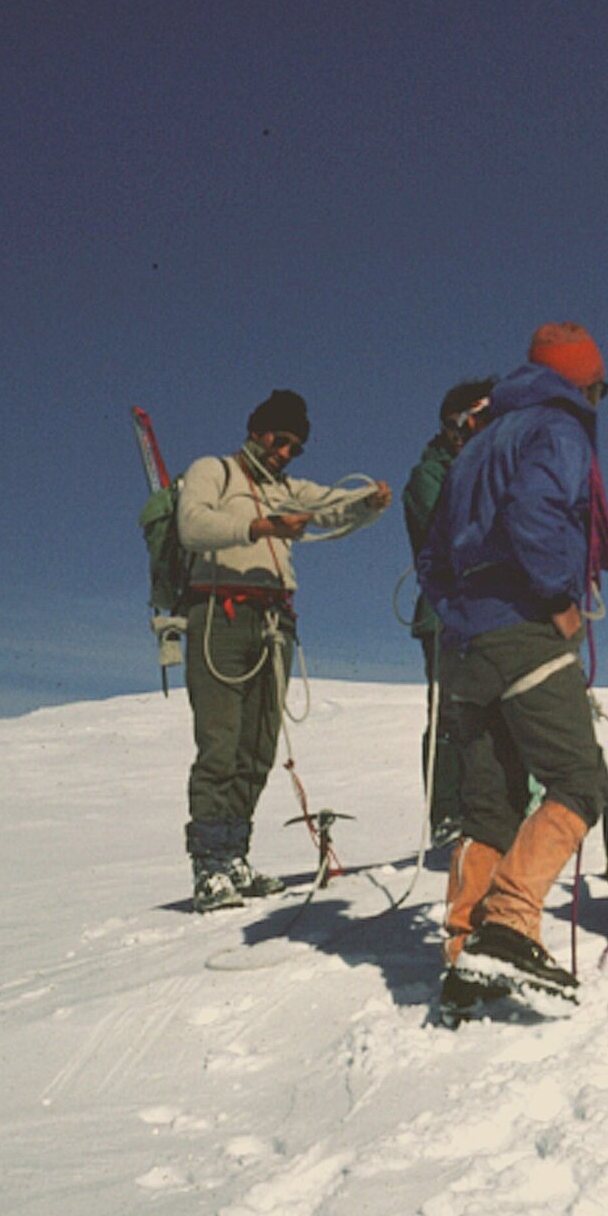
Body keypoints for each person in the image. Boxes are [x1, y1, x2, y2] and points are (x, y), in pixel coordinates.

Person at [416, 323, 608, 1008]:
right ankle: (507, 923)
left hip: (465, 645)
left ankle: (462, 953)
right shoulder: (555, 429)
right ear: (581, 380)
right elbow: (535, 514)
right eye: (600, 384)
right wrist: (558, 597)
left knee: (491, 803)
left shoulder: (477, 444)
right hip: (523, 631)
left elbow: (432, 558)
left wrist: (462, 611)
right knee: (580, 777)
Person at [176, 389, 394, 911]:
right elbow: (192, 525)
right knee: (221, 741)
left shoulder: (289, 488)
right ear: (257, 430)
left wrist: (366, 505)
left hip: (274, 622)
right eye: (280, 440)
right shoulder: (215, 471)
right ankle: (209, 866)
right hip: (219, 617)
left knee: (257, 747)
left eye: (296, 447)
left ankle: (235, 856)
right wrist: (261, 526)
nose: (285, 452)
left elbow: (329, 506)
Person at [404, 377, 496, 847]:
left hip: (491, 611)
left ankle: (490, 808)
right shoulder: (429, 476)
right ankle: (447, 814)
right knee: (448, 714)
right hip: (445, 613)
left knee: (493, 711)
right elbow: (451, 531)